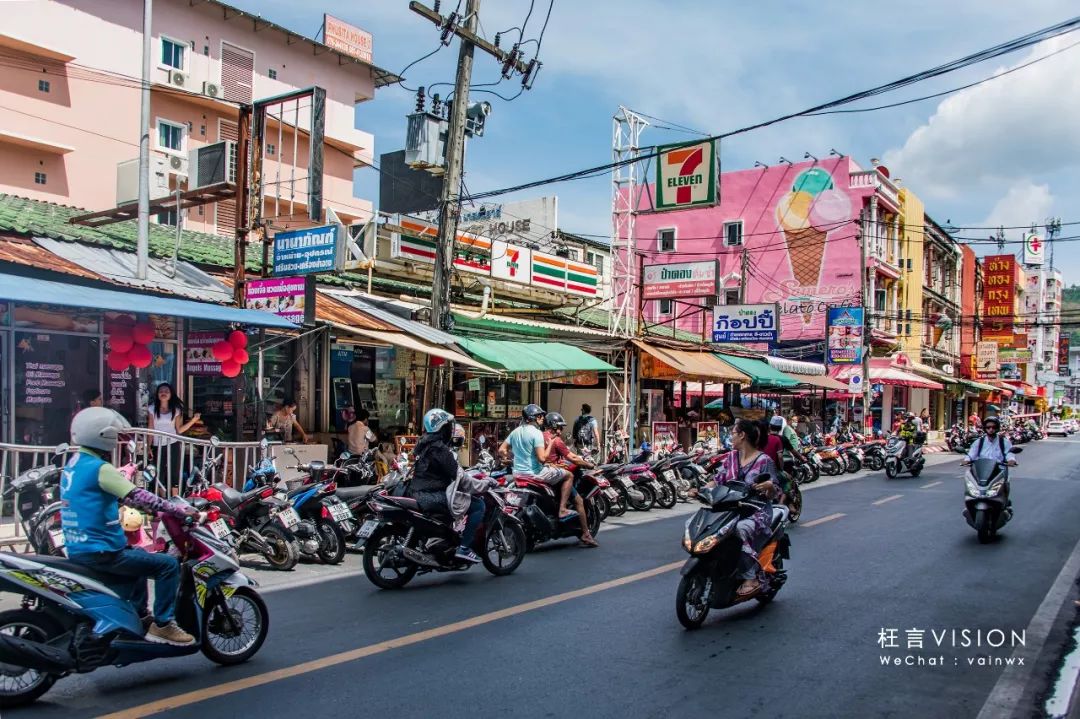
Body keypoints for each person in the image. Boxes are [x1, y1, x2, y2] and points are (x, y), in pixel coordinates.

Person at [62, 407, 203, 645]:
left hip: (79, 548)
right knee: (168, 565)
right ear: (103, 435)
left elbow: (112, 498)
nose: (117, 439)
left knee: (138, 556)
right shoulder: (100, 468)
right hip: (103, 552)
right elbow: (139, 496)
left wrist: (151, 508)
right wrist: (178, 510)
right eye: (115, 435)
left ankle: (139, 616)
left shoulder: (74, 464)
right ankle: (163, 624)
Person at [695, 419, 778, 598]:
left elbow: (774, 491)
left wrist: (769, 486)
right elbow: (718, 479)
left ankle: (751, 578)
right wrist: (700, 490)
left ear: (742, 435)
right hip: (730, 508)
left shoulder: (764, 460)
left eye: (733, 433)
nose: (730, 436)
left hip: (756, 511)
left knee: (738, 530)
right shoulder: (731, 457)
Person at [406, 409, 485, 564]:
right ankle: (464, 548)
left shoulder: (423, 444)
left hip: (416, 492)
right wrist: (485, 484)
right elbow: (459, 478)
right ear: (443, 428)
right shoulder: (440, 449)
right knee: (478, 506)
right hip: (432, 495)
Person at [500, 404, 575, 519]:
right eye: (539, 416)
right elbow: (542, 459)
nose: (542, 418)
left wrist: (515, 456)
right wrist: (550, 444)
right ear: (533, 418)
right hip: (535, 474)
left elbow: (501, 450)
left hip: (517, 474)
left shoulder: (515, 431)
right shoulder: (536, 433)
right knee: (569, 475)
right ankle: (563, 509)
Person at [543, 412, 599, 547]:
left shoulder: (539, 436)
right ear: (554, 426)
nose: (561, 431)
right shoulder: (556, 440)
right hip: (553, 476)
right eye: (560, 427)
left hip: (540, 473)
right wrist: (589, 464)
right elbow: (572, 458)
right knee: (578, 500)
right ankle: (585, 534)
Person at [149, 383, 200, 488]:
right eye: (161, 391)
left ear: (171, 394)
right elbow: (150, 429)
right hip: (158, 445)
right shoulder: (152, 409)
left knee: (174, 472)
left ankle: (175, 496)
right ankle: (161, 496)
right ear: (157, 394)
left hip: (173, 444)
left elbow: (179, 430)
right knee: (159, 472)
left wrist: (193, 420)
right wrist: (148, 446)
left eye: (166, 391)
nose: (163, 393)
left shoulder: (176, 410)